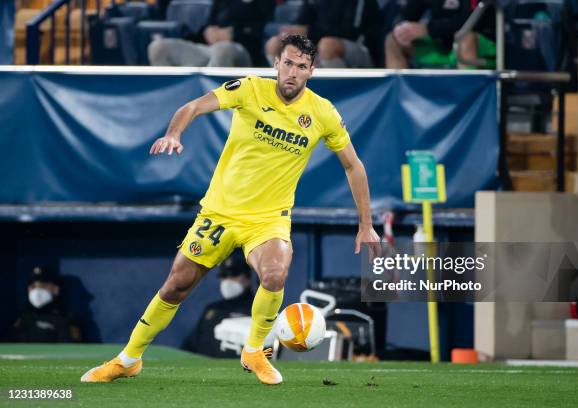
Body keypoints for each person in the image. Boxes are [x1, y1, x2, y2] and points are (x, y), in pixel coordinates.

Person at [81, 34, 381, 385]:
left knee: (274, 272)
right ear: (277, 63)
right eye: (288, 63)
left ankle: (254, 350)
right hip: (220, 213)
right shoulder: (250, 90)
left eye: (301, 66)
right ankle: (128, 359)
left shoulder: (323, 113)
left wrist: (366, 224)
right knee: (176, 285)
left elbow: (353, 166)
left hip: (268, 219)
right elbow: (191, 107)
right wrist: (174, 134)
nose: (292, 72)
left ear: (312, 71)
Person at [148, 0, 274, 67]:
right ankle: (173, 105)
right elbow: (209, 23)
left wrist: (234, 33)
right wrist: (207, 32)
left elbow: (266, 26)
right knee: (158, 47)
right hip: (209, 49)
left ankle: (211, 107)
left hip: (242, 51)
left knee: (222, 49)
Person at [264, 0, 383, 68]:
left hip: (361, 49)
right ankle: (284, 94)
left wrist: (309, 32)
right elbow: (302, 23)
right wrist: (291, 33)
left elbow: (350, 32)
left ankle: (337, 97)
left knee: (328, 45)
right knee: (275, 44)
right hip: (318, 44)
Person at [183, 250, 255, 357]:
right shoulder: (212, 310)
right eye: (224, 276)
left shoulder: (259, 310)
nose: (227, 281)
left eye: (233, 275)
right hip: (203, 371)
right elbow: (189, 347)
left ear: (247, 277)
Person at [384, 0, 496, 69]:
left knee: (465, 38)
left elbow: (474, 20)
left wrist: (428, 29)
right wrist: (401, 30)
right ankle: (400, 101)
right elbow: (406, 15)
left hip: (481, 45)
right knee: (392, 41)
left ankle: (470, 102)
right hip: (442, 45)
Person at [9, 266, 82, 343]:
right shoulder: (21, 317)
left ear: (56, 289)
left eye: (43, 286)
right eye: (33, 286)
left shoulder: (65, 319)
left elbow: (71, 350)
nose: (37, 291)